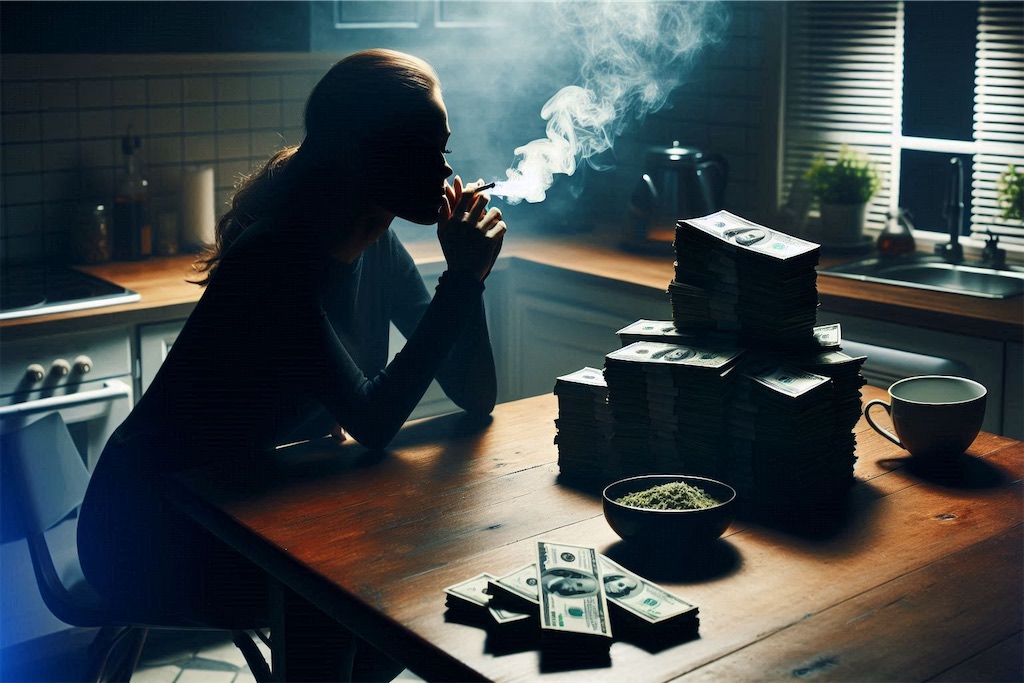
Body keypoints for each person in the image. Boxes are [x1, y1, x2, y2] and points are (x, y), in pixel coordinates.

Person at [78, 49, 506, 680]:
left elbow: (476, 395)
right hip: (147, 527)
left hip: (244, 502)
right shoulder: (274, 258)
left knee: (395, 586)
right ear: (368, 154)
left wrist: (466, 279)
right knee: (347, 594)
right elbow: (374, 418)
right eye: (429, 147)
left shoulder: (380, 245)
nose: (446, 167)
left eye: (445, 146)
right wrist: (461, 281)